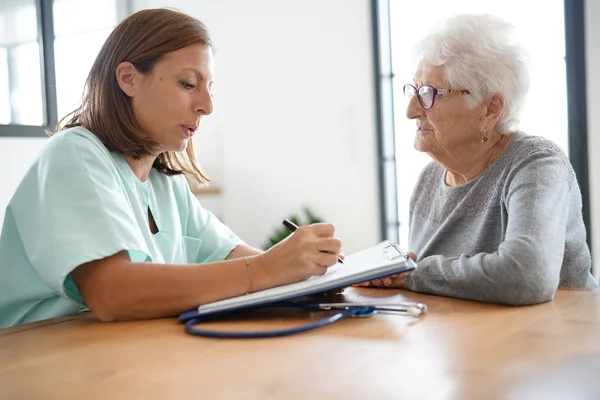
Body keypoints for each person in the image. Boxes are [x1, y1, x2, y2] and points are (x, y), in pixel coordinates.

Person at [0, 8, 343, 328]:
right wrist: (270, 268)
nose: (206, 106)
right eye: (188, 84)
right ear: (128, 78)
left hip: (116, 355)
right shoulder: (73, 154)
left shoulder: (165, 185)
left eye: (209, 90)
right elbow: (111, 293)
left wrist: (328, 273)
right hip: (40, 357)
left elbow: (240, 259)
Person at [359, 13, 598, 304]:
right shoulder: (429, 181)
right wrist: (397, 271)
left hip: (552, 339)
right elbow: (438, 288)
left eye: (429, 93)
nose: (410, 110)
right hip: (471, 341)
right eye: (415, 89)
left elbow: (527, 276)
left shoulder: (537, 164)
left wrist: (412, 272)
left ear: (489, 109)